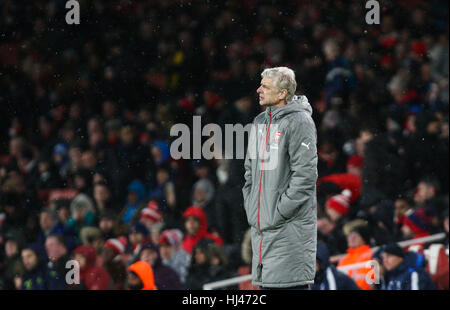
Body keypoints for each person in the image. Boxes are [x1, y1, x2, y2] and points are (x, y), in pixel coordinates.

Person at [242, 67, 318, 289]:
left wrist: (277, 212)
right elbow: (249, 172)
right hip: (264, 235)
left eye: (265, 86)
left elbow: (305, 176)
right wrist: (252, 206)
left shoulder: (300, 122)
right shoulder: (259, 123)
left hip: (288, 234)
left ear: (283, 93)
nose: (258, 90)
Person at [337, 225, 374, 290]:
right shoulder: (344, 259)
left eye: (355, 236)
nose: (351, 238)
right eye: (350, 236)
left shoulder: (371, 255)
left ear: (364, 239)